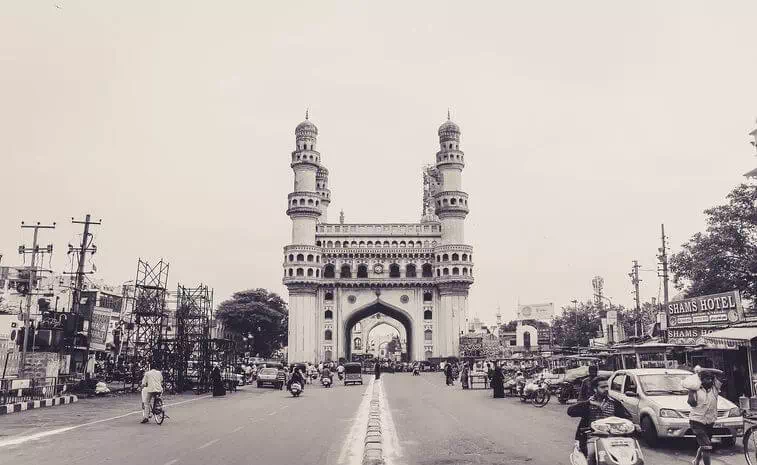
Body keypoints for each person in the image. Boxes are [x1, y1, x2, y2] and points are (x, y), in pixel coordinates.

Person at [567, 376, 632, 459]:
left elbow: (626, 417)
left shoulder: (614, 403)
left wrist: (633, 424)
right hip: (593, 437)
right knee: (591, 454)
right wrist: (588, 403)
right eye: (602, 387)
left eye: (607, 386)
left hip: (613, 437)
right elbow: (570, 411)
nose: (606, 389)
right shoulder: (588, 403)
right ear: (595, 389)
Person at [684, 367, 722, 465]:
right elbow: (691, 403)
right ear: (701, 380)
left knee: (705, 444)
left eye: (710, 379)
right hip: (696, 421)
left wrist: (703, 369)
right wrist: (692, 393)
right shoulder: (695, 389)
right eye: (706, 379)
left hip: (710, 421)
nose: (709, 381)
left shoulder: (715, 388)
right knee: (707, 447)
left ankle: (696, 461)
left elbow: (721, 373)